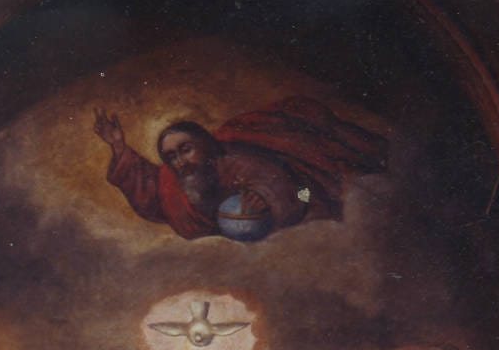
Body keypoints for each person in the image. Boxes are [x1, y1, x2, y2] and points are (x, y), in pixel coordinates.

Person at [94, 96, 387, 241]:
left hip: (305, 206)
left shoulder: (241, 162)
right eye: (171, 157)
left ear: (206, 146)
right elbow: (150, 189)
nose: (180, 161)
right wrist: (118, 146)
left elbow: (295, 187)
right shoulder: (175, 183)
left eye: (186, 149)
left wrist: (269, 199)